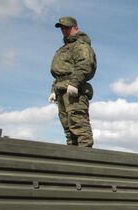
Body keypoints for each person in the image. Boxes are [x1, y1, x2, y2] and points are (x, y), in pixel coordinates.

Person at [49, 16, 96, 147]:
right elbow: (59, 73)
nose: (64, 30)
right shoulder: (63, 49)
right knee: (68, 130)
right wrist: (53, 90)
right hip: (61, 90)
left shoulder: (81, 46)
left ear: (75, 28)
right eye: (62, 28)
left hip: (74, 91)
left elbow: (85, 65)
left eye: (67, 27)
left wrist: (74, 83)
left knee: (80, 127)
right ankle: (72, 162)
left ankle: (85, 163)